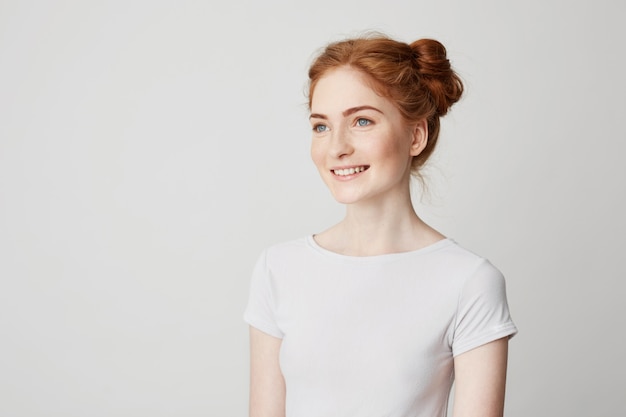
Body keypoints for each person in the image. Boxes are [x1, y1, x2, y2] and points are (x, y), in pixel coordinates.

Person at [244, 33, 517, 417]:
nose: (337, 147)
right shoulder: (278, 268)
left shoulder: (468, 281)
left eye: (362, 121)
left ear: (415, 135)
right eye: (321, 126)